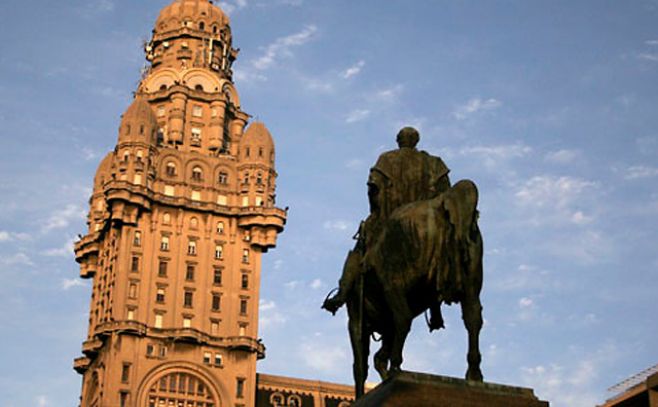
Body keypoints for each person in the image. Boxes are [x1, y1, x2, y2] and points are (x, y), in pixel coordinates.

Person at [322, 127, 450, 329]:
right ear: (416, 141)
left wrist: (376, 212)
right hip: (428, 224)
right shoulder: (434, 163)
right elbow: (446, 194)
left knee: (358, 252)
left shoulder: (386, 160)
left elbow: (374, 188)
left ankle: (341, 294)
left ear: (399, 141)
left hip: (390, 218)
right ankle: (436, 310)